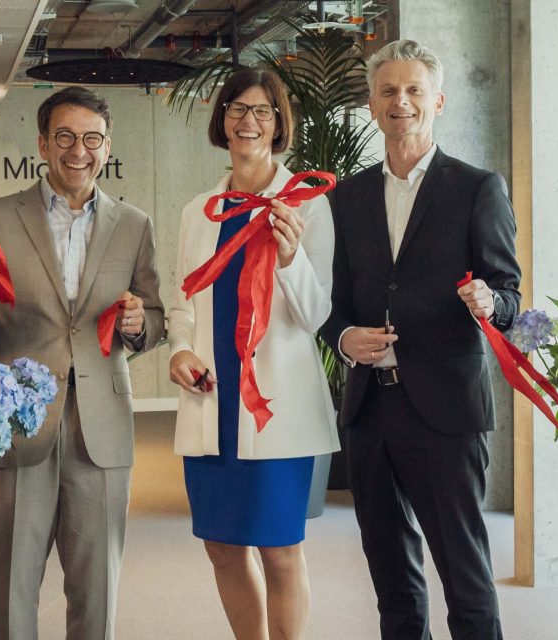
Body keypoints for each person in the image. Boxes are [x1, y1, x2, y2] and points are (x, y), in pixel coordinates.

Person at [0, 86, 164, 639]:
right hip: (18, 423)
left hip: (102, 428)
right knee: (13, 581)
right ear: (42, 143)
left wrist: (140, 325)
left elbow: (155, 317)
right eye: (64, 136)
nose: (78, 150)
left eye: (91, 138)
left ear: (106, 147)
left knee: (96, 589)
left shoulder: (134, 224)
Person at [320, 40, 521, 640]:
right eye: (387, 91)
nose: (399, 102)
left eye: (412, 91)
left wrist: (491, 301)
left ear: (437, 101)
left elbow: (509, 294)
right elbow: (331, 302)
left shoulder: (477, 187)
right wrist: (343, 336)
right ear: (371, 103)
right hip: (369, 410)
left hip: (446, 410)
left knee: (464, 572)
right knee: (391, 578)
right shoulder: (346, 196)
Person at [167, 68, 339, 640]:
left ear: (278, 125)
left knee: (280, 549)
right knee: (220, 545)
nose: (248, 121)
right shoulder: (200, 210)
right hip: (211, 400)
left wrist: (291, 258)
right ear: (222, 120)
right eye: (237, 109)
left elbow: (317, 314)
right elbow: (183, 301)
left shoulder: (306, 205)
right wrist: (179, 352)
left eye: (262, 111)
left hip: (278, 406)